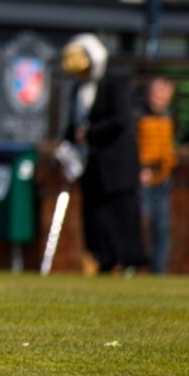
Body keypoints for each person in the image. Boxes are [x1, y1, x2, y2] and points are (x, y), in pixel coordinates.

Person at [57, 33, 144, 273]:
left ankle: (127, 261)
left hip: (116, 165)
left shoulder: (116, 83)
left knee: (121, 214)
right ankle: (102, 258)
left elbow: (120, 121)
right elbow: (74, 124)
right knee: (95, 216)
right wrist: (65, 144)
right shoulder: (79, 88)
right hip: (91, 164)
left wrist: (90, 133)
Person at [138, 75, 177, 274]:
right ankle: (133, 266)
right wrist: (140, 168)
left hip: (163, 179)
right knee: (141, 224)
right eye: (156, 95)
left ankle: (158, 270)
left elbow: (167, 149)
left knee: (161, 227)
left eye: (164, 96)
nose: (160, 100)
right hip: (144, 178)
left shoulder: (167, 118)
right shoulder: (139, 116)